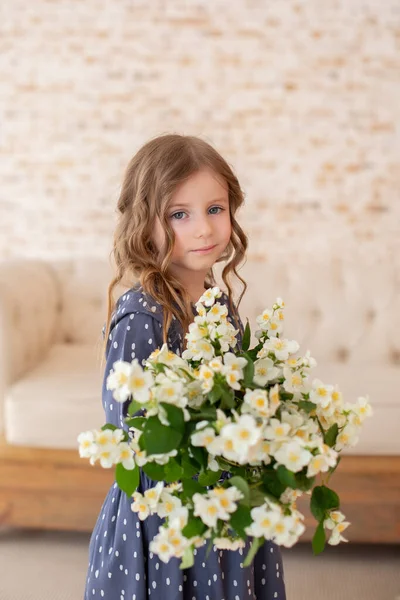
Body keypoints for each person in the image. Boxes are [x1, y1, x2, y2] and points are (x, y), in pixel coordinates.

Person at [84, 134, 286, 599]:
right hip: (168, 516)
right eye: (180, 214)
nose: (204, 229)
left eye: (215, 209)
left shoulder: (217, 301)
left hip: (224, 500)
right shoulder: (142, 317)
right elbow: (134, 432)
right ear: (144, 222)